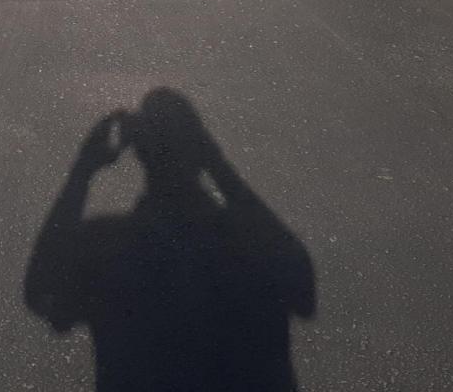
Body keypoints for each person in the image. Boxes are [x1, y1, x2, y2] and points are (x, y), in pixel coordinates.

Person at [25, 89, 316, 391]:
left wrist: (82, 172)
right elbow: (304, 293)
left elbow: (41, 291)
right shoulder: (251, 246)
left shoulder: (110, 246)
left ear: (138, 151)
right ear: (202, 147)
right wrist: (218, 166)